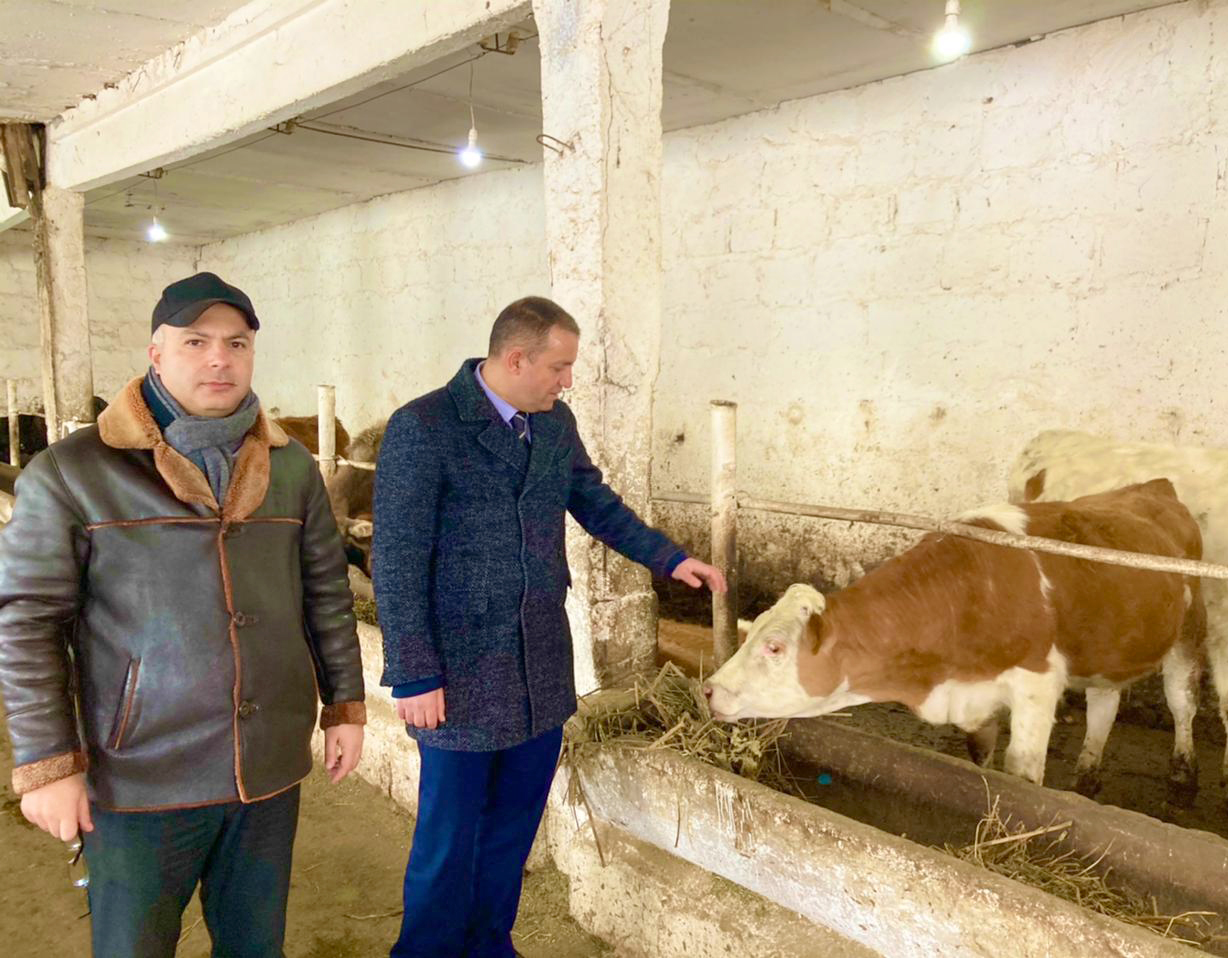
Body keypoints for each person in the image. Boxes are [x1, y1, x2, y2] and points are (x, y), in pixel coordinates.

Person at [0, 271, 366, 958]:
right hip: (140, 769)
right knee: (135, 946)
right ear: (156, 353)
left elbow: (325, 590)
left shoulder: (290, 469)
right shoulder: (74, 472)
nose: (219, 358)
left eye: (237, 343)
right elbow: (27, 623)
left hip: (265, 766)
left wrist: (345, 704)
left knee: (255, 945)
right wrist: (48, 762)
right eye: (196, 341)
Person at [373, 295, 727, 958]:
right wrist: (414, 672)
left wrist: (670, 559)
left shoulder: (555, 424)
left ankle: (489, 946)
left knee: (511, 831)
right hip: (457, 674)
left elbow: (595, 503)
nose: (568, 381)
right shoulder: (425, 425)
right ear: (516, 359)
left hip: (538, 665)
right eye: (559, 368)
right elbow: (395, 557)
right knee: (449, 840)